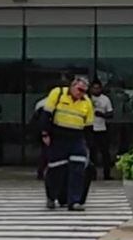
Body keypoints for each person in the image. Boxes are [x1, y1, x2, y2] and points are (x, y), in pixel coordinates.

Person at [41, 76, 96, 211]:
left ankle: (74, 201)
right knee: (56, 169)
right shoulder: (58, 93)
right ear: (72, 86)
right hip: (58, 136)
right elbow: (46, 115)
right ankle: (51, 197)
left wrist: (88, 145)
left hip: (77, 137)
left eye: (84, 91)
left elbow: (89, 127)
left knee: (78, 169)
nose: (80, 93)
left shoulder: (86, 102)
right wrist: (45, 134)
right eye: (79, 90)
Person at [88, 79, 115, 182]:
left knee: (105, 153)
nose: (96, 90)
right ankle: (92, 175)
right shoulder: (87, 99)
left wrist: (102, 114)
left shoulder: (105, 99)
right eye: (94, 88)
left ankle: (107, 174)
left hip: (101, 128)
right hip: (91, 129)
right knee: (92, 153)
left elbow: (111, 113)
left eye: (98, 88)